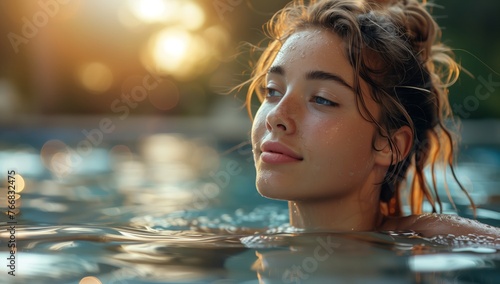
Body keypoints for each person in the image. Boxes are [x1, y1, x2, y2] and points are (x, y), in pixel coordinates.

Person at [243, 0, 499, 237]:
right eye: (273, 91)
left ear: (390, 145)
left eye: (322, 99)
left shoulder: (440, 238)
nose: (276, 116)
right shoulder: (239, 241)